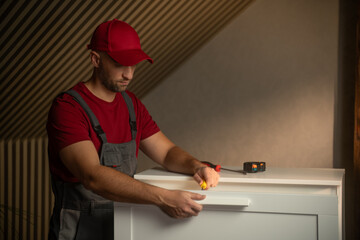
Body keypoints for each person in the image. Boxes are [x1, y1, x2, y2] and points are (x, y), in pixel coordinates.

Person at [46, 19, 219, 240]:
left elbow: (166, 152)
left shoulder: (131, 104)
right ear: (95, 59)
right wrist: (163, 198)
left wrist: (196, 166)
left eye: (133, 64)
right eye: (120, 64)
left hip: (124, 225)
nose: (129, 74)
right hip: (79, 230)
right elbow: (92, 176)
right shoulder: (68, 108)